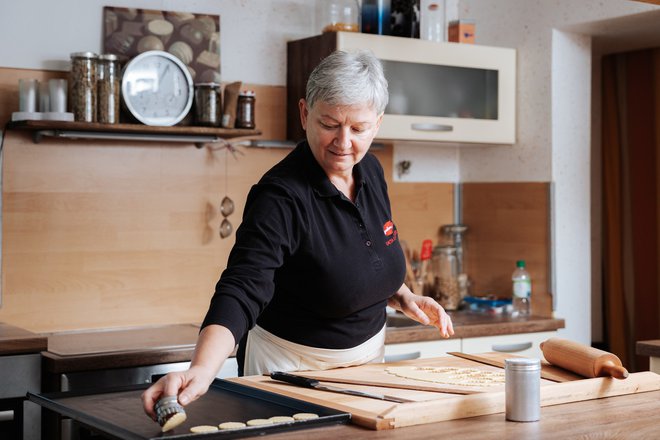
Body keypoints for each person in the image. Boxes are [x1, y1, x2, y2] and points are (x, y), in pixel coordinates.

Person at [142, 49, 454, 419]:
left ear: (378, 123)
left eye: (358, 128)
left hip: (369, 369)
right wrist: (201, 369)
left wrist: (400, 295)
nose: (343, 142)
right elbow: (242, 287)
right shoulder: (281, 195)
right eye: (329, 123)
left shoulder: (370, 170)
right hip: (290, 371)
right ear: (305, 113)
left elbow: (360, 253)